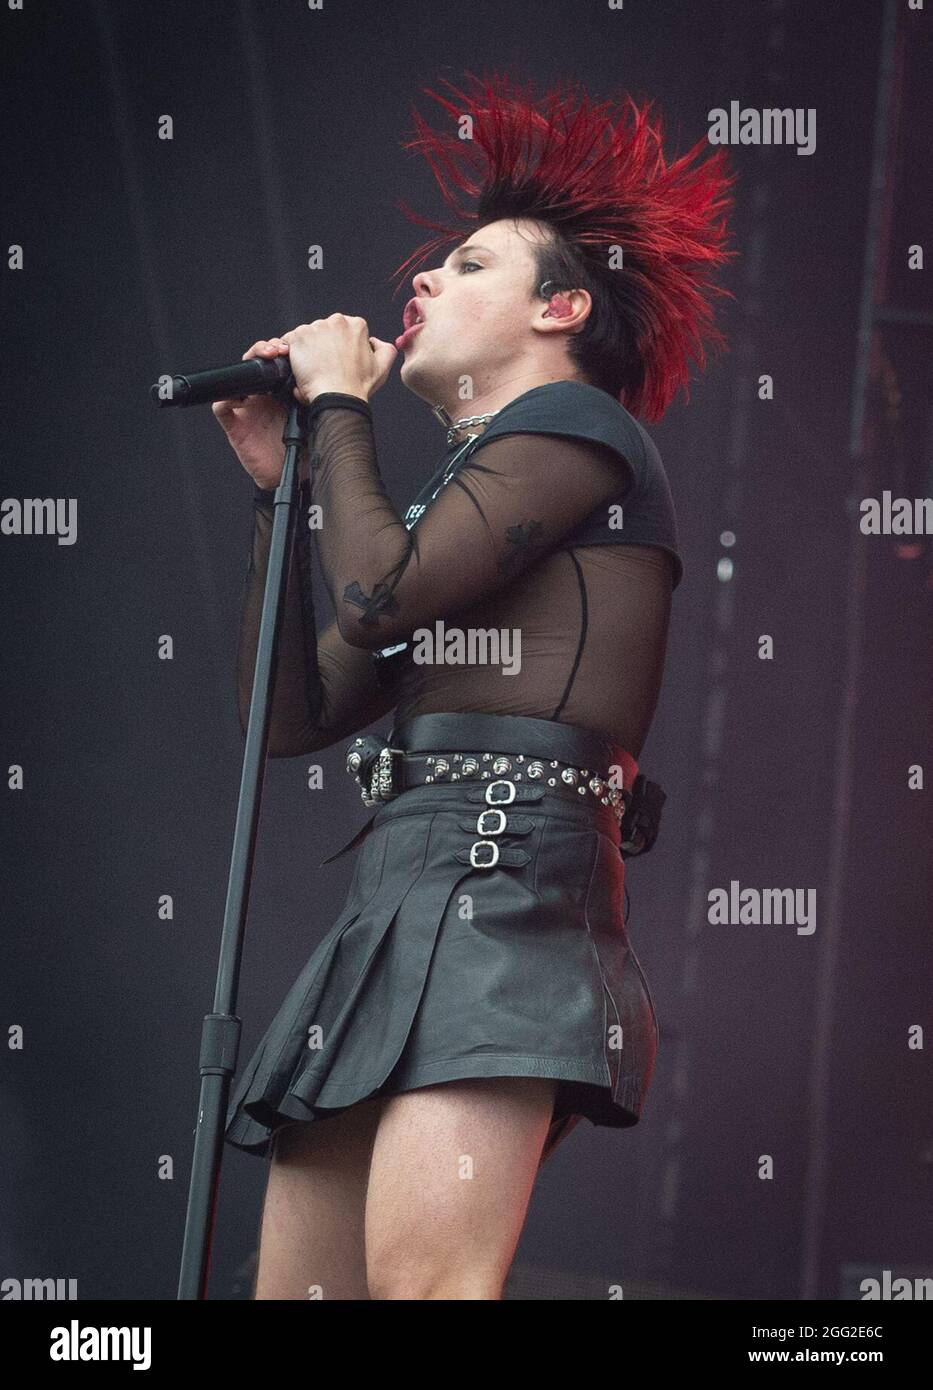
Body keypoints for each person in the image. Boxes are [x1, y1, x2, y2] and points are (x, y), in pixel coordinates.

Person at [214, 73, 734, 1300]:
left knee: (427, 1291)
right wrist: (271, 489)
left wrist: (341, 400)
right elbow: (293, 716)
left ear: (562, 304)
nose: (429, 281)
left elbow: (381, 594)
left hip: (508, 886)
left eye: (472, 264)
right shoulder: (466, 497)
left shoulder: (580, 427)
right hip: (402, 886)